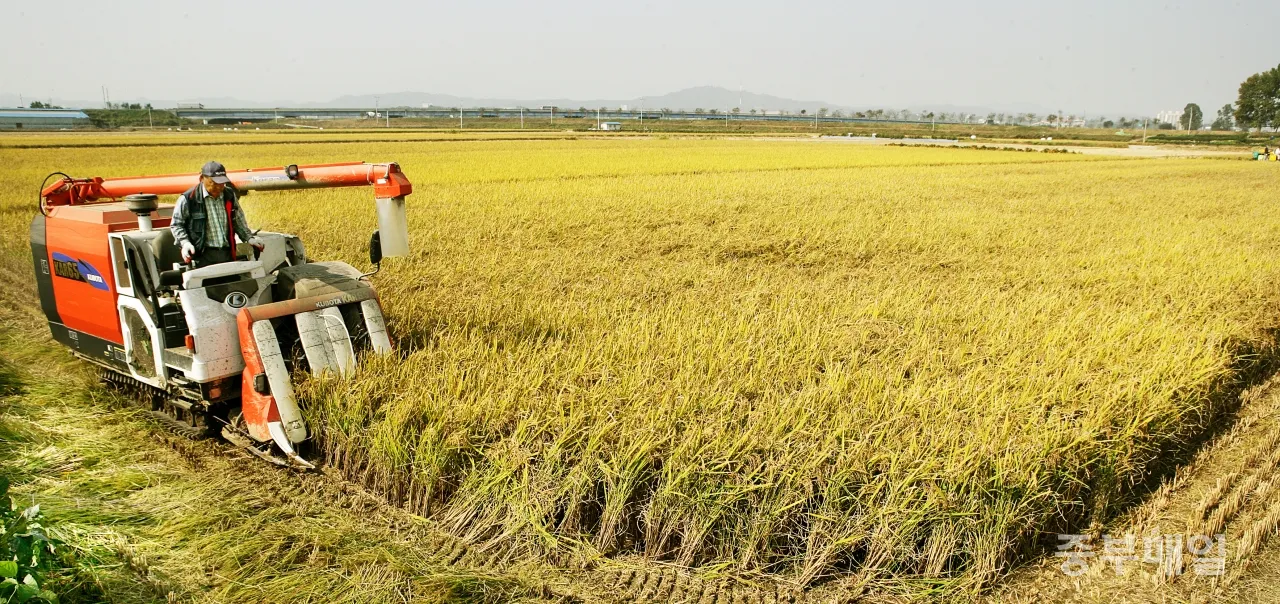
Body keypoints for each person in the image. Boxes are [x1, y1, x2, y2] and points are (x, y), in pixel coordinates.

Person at [171, 161, 262, 267]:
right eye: (214, 183)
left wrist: (249, 238)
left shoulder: (229, 195)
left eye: (222, 183)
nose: (219, 187)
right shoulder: (189, 199)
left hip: (227, 253)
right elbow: (177, 224)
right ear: (202, 179)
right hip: (202, 255)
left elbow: (237, 219)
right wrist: (185, 243)